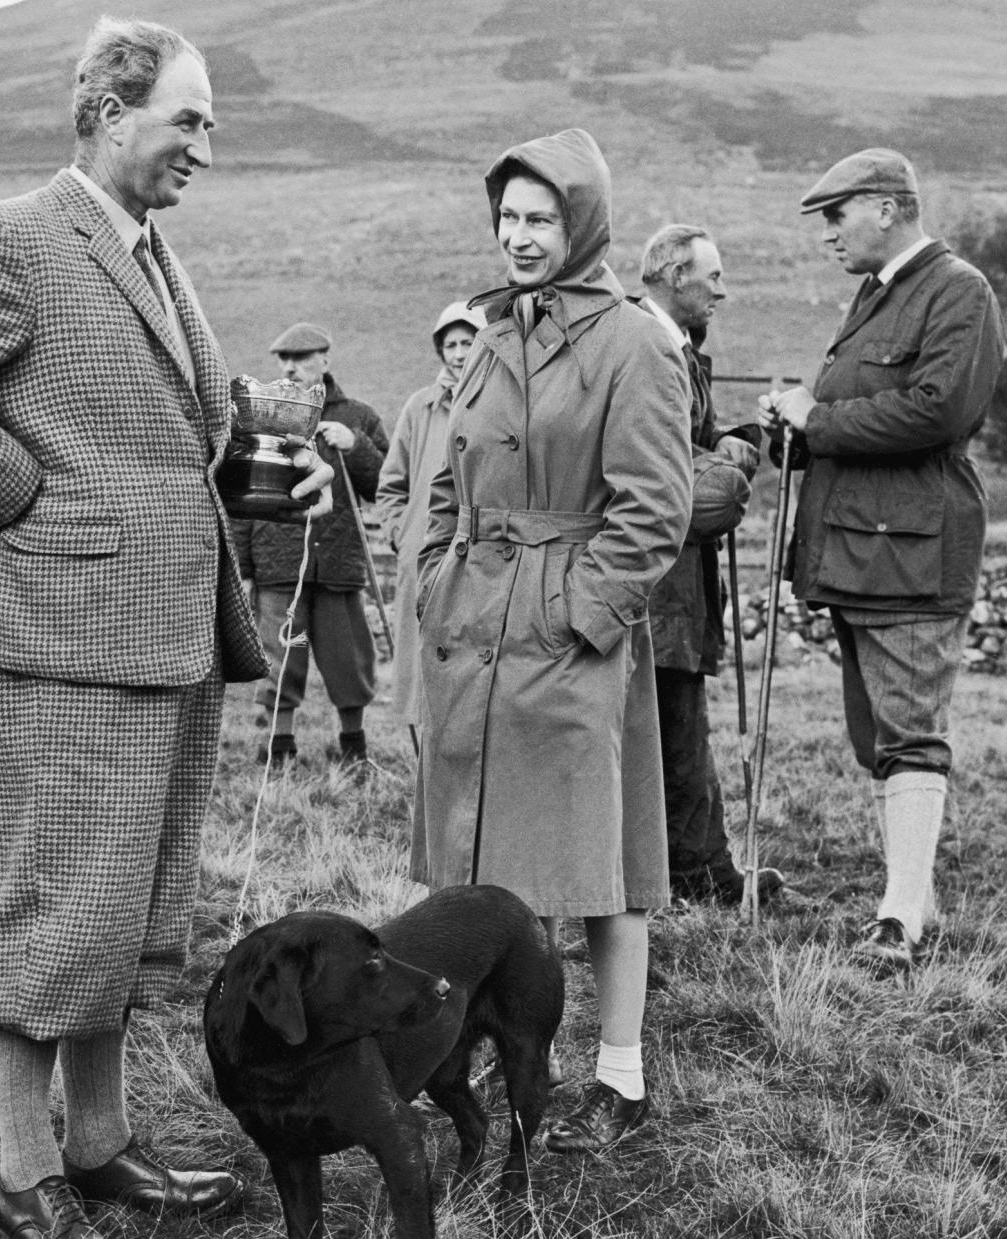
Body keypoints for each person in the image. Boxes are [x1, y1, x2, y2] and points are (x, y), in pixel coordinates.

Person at [0, 19, 333, 1239]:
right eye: (189, 121)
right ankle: (23, 1174)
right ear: (112, 113)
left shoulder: (152, 252)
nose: (204, 149)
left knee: (120, 910)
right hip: (62, 634)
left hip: (162, 640)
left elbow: (192, 408)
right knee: (45, 904)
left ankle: (102, 1146)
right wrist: (20, 493)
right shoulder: (10, 241)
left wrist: (289, 435)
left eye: (208, 125)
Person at [411, 129, 692, 1152]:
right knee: (478, 863)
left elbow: (654, 512)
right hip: (472, 631)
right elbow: (449, 480)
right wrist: (439, 578)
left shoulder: (636, 341)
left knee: (599, 856)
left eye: (542, 219)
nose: (520, 238)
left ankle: (619, 1070)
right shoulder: (491, 337)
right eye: (508, 218)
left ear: (583, 224)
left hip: (568, 639)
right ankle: (480, 1055)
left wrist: (574, 614)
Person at [759, 148, 1003, 970]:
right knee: (878, 737)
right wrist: (795, 422)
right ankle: (915, 889)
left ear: (889, 208)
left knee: (909, 735)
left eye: (837, 214)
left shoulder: (958, 290)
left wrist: (816, 417)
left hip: (911, 556)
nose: (828, 232)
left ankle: (899, 918)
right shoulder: (878, 296)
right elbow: (864, 408)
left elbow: (937, 411)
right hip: (863, 555)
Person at [634, 224, 785, 905]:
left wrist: (723, 439)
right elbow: (648, 459)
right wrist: (716, 465)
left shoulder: (680, 348)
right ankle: (696, 874)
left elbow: (686, 441)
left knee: (678, 721)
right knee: (671, 724)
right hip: (649, 577)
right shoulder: (643, 347)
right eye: (712, 275)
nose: (723, 288)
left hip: (676, 575)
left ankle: (696, 868)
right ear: (671, 275)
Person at [232, 323, 389, 768]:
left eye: (300, 358)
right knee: (282, 656)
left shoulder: (358, 416)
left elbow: (386, 486)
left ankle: (354, 750)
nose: (290, 367)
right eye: (283, 359)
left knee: (348, 659)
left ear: (326, 360)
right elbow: (243, 498)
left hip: (338, 562)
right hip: (278, 561)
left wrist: (355, 445)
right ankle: (278, 751)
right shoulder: (261, 417)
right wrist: (244, 569)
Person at [376, 300, 487, 742]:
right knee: (421, 667)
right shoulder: (419, 407)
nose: (460, 354)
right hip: (422, 558)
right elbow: (391, 485)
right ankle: (424, 770)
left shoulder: (502, 402)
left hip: (479, 558)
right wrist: (402, 534)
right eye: (451, 344)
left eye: (469, 342)